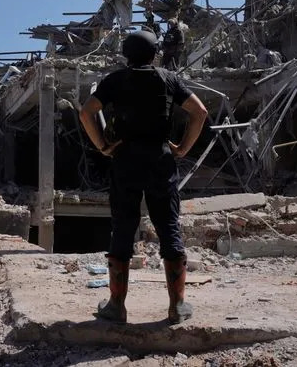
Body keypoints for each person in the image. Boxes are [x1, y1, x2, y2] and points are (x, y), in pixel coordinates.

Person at [79, 29, 208, 324]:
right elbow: (199, 112)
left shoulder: (115, 80)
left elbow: (86, 112)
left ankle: (116, 306)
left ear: (126, 54)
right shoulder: (167, 78)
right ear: (155, 53)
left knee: (123, 228)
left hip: (125, 160)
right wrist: (182, 147)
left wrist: (103, 146)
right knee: (168, 227)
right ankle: (177, 307)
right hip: (160, 160)